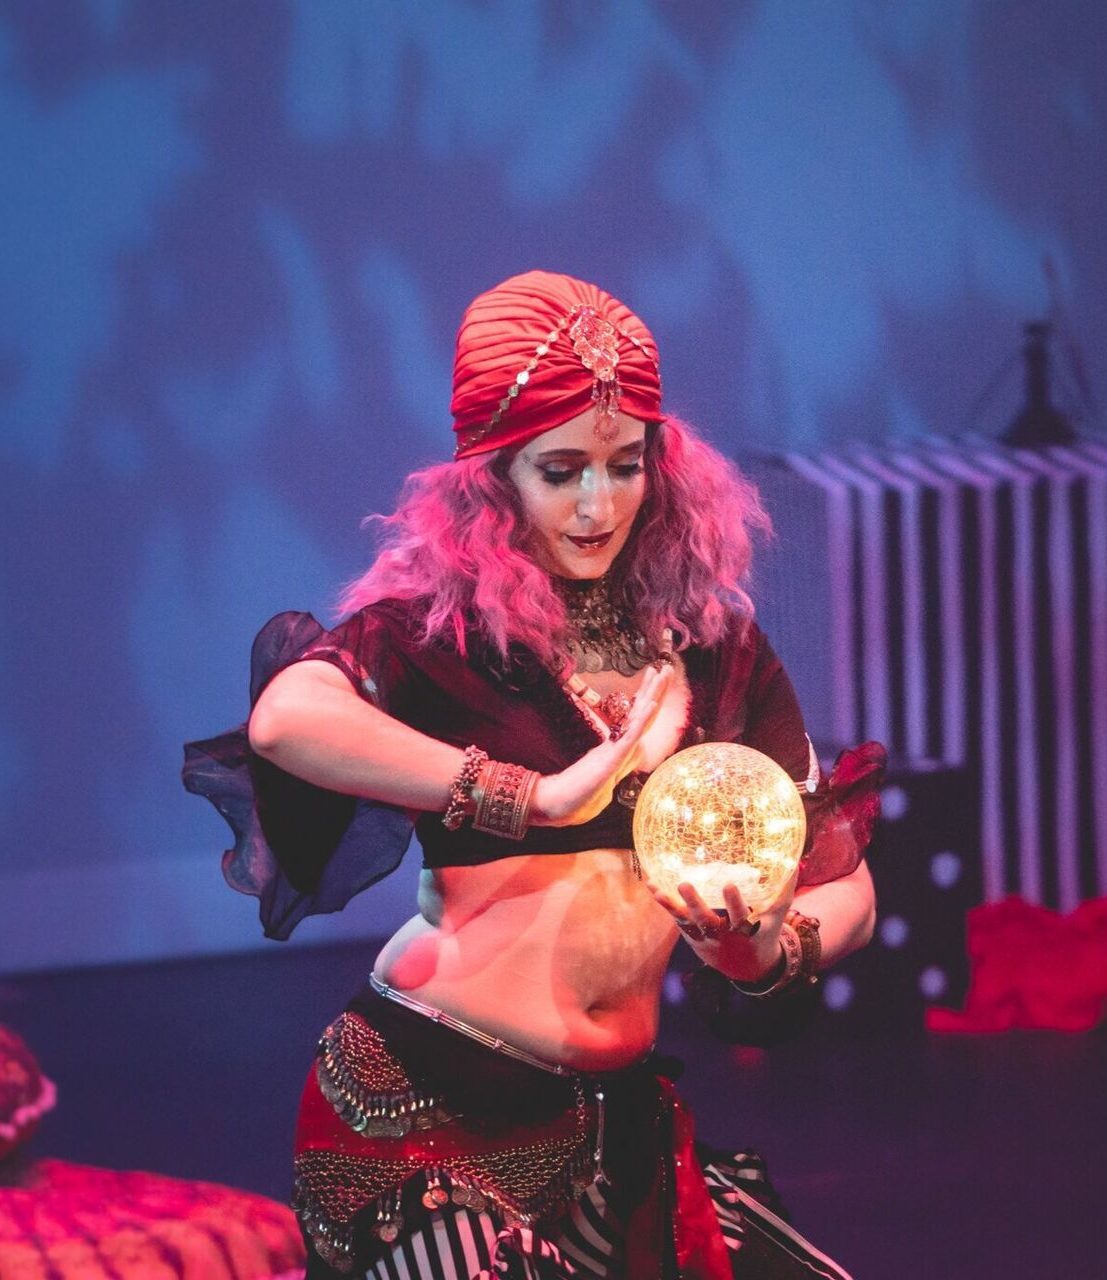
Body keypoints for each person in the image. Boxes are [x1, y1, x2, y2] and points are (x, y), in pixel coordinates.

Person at [185, 270, 881, 1279]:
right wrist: (538, 793)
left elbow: (842, 879)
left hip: (620, 1130)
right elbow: (289, 718)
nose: (600, 504)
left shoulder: (714, 645)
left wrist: (765, 942)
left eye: (625, 465)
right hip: (427, 1114)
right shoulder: (443, 633)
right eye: (561, 472)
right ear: (495, 477)